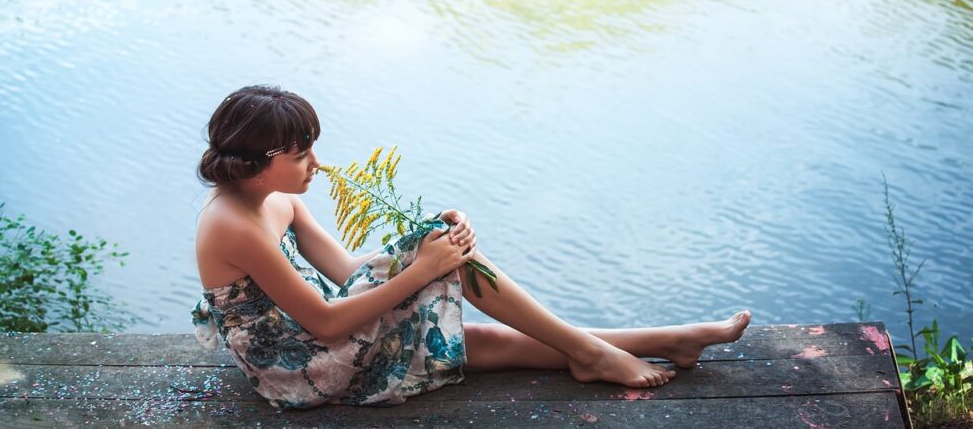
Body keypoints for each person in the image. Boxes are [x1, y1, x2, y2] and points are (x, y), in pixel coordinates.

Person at [191, 85, 752, 409]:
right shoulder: (232, 225)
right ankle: (599, 353)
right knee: (456, 276)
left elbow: (343, 270)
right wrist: (425, 267)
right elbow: (328, 323)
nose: (317, 164)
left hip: (315, 334)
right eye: (301, 155)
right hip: (301, 366)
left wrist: (427, 237)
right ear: (257, 163)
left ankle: (665, 340)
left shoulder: (276, 200)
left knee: (472, 329)